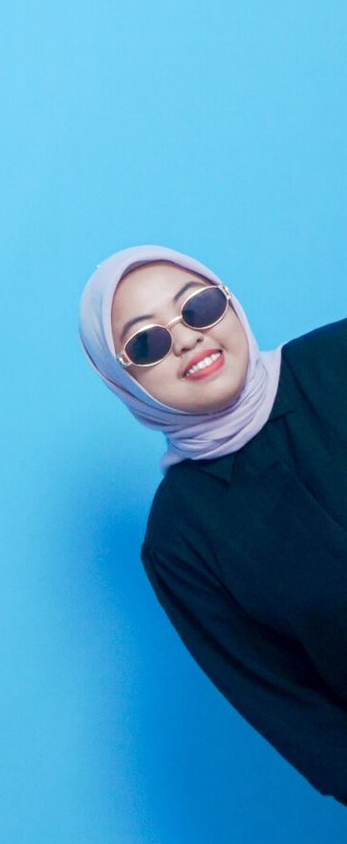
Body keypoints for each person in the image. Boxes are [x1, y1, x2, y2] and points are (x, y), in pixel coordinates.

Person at [79, 243, 347, 805]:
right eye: (147, 342)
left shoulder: (338, 358)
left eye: (197, 308)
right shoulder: (179, 540)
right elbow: (298, 718)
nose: (186, 339)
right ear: (120, 378)